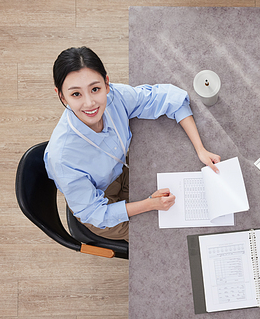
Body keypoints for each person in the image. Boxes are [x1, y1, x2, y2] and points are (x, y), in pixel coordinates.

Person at [44, 46, 220, 242]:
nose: (90, 103)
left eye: (95, 89)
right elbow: (96, 214)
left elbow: (170, 98)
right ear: (61, 95)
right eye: (76, 94)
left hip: (121, 171)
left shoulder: (114, 98)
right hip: (98, 205)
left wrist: (201, 149)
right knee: (157, 236)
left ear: (107, 84)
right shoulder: (62, 158)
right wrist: (149, 204)